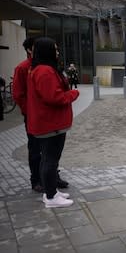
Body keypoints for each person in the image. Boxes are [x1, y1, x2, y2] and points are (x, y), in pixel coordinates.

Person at [26, 37, 79, 208]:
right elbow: (54, 97)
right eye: (55, 49)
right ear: (47, 51)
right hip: (50, 125)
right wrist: (73, 94)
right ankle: (50, 197)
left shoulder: (40, 69)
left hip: (48, 124)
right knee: (50, 161)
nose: (57, 52)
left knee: (48, 160)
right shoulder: (45, 71)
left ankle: (52, 192)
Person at [12, 37, 69, 193]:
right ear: (30, 50)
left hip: (48, 117)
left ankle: (52, 179)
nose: (56, 52)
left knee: (50, 153)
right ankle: (37, 180)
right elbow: (18, 94)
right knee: (37, 150)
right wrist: (30, 111)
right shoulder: (26, 68)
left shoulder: (47, 67)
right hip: (35, 116)